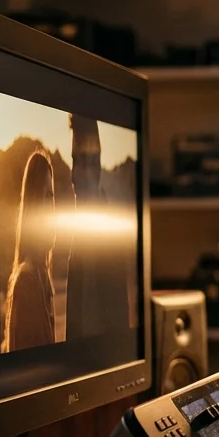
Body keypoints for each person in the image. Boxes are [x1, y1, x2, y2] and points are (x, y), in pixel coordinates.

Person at [64, 113, 132, 338]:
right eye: (74, 161)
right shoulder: (81, 229)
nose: (74, 176)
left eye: (83, 162)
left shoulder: (107, 239)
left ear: (97, 167)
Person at [1, 150, 57, 352]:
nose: (53, 206)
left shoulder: (43, 278)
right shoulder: (26, 281)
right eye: (47, 195)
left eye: (53, 196)